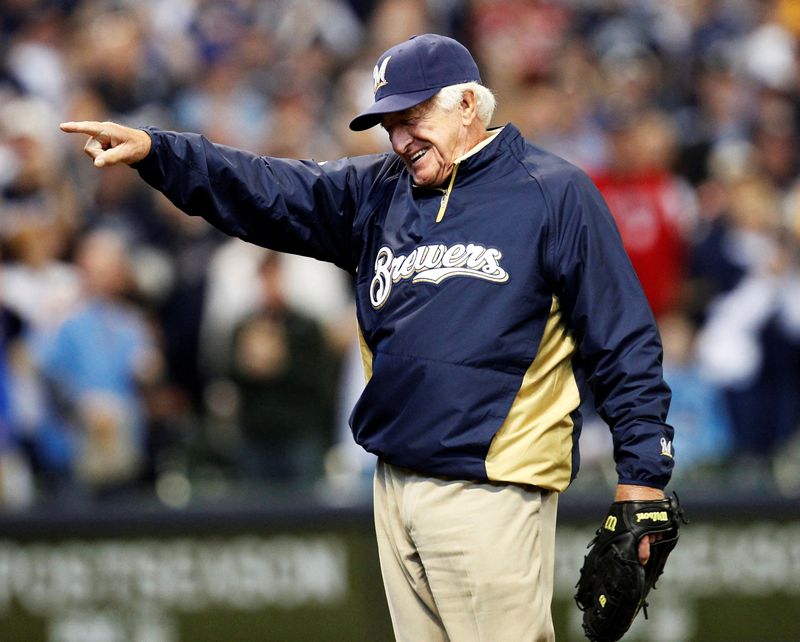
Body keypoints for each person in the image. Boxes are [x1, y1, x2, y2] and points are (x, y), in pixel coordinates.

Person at [61, 33, 675, 642]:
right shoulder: (378, 190)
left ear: (468, 104)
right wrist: (158, 153)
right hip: (393, 485)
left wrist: (641, 475)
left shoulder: (552, 192)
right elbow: (266, 189)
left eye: (413, 116)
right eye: (389, 124)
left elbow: (622, 340)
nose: (400, 138)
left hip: (490, 490)